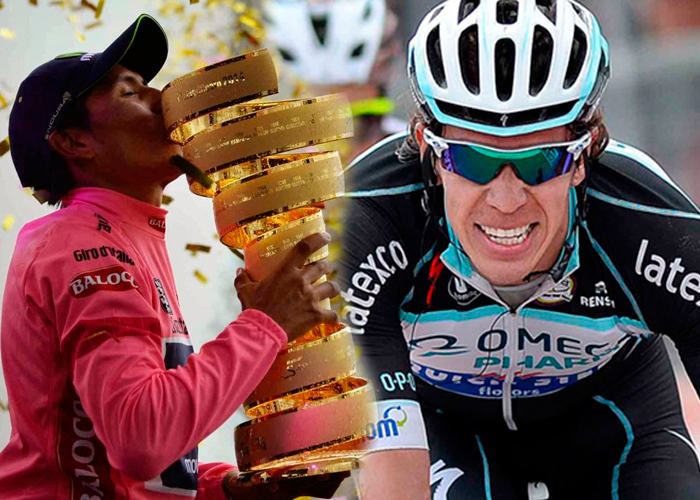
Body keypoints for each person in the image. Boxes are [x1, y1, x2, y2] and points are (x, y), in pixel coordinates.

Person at [339, 0, 700, 498]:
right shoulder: (367, 221)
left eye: (540, 162)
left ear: (584, 155)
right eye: (473, 161)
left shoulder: (649, 227)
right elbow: (392, 472)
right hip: (446, 427)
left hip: (616, 421)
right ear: (428, 149)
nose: (506, 200)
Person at [0, 14, 344, 500]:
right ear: (75, 142)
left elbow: (131, 463)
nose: (163, 99)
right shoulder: (82, 246)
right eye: (131, 93)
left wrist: (228, 487)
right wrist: (265, 325)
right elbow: (141, 437)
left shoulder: (121, 232)